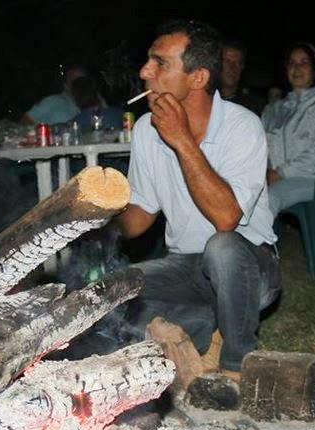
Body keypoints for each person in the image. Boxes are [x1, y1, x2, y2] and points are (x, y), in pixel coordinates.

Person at [117, 19, 280, 375]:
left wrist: (182, 140)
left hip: (248, 266)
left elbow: (226, 219)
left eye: (160, 62)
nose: (145, 71)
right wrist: (95, 222)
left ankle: (238, 366)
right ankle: (209, 331)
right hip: (185, 269)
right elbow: (141, 214)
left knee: (221, 246)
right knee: (116, 291)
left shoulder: (242, 125)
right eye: (148, 60)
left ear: (198, 78)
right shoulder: (146, 129)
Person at [262, 42, 315, 216]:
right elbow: (262, 146)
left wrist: (282, 173)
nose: (297, 68)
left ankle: (255, 243)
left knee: (267, 199)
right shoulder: (275, 109)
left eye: (304, 62)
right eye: (292, 63)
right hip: (275, 177)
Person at [21, 65, 88, 125]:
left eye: (83, 81)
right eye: (76, 82)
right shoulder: (54, 101)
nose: (80, 85)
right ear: (66, 85)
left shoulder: (89, 106)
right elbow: (26, 120)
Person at [220, 38, 265, 115]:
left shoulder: (254, 106)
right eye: (227, 61)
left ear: (242, 66)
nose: (232, 67)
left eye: (237, 63)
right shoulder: (204, 99)